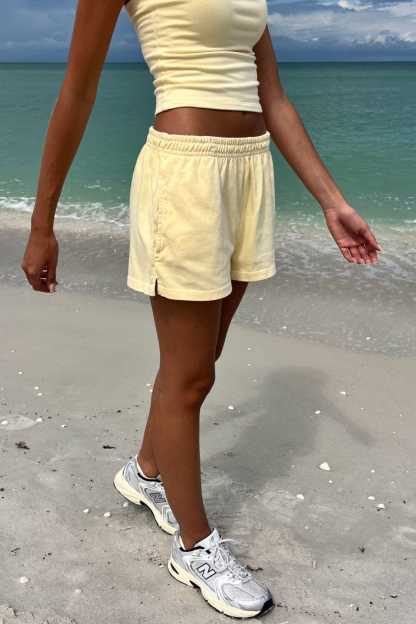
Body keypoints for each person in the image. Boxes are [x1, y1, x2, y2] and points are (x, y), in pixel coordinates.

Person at [21, 0, 382, 618]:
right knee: (189, 377)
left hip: (249, 173)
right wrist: (42, 223)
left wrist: (331, 201)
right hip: (185, 176)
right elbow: (77, 93)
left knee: (198, 362)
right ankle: (195, 547)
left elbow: (273, 97)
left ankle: (145, 472)